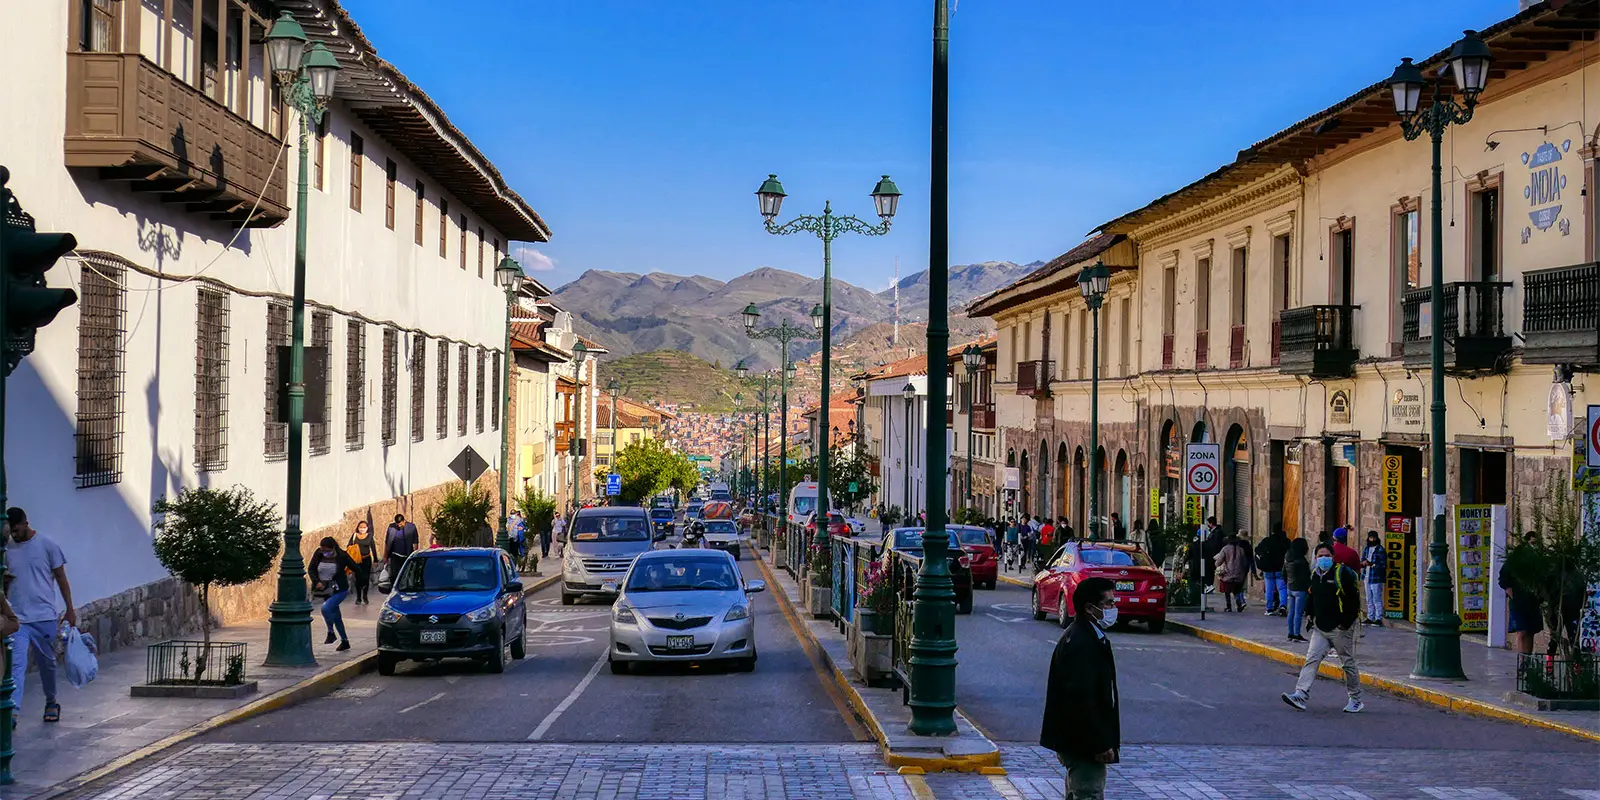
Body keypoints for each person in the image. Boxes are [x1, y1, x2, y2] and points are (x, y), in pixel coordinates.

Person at [1040, 576, 1120, 800]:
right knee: (1088, 792)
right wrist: (1100, 743)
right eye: (1108, 604)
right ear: (1089, 608)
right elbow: (1083, 699)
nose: (1113, 609)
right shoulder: (1081, 643)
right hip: (1083, 744)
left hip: (1080, 741)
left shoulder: (1090, 636)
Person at [4, 507, 74, 724]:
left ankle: (51, 701)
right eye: (11, 531)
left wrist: (70, 609)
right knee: (16, 664)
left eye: (16, 530)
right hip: (19, 619)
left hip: (44, 617)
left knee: (47, 664)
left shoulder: (47, 545)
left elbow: (61, 578)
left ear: (26, 523)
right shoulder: (6, 548)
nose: (14, 535)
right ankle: (12, 712)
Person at [1282, 542, 1364, 713]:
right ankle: (1300, 694)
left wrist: (1346, 622)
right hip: (1320, 627)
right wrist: (1310, 616)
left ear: (1332, 557)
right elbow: (1312, 598)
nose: (1323, 558)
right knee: (1311, 659)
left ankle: (1356, 699)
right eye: (1320, 556)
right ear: (1315, 557)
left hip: (1340, 628)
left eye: (1326, 555)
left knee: (1347, 663)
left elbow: (1353, 601)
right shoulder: (1315, 574)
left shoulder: (1341, 574)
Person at [309, 537, 360, 651]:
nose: (324, 553)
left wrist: (358, 580)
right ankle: (344, 641)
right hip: (326, 590)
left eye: (326, 550)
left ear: (333, 548)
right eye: (322, 550)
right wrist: (316, 581)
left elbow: (355, 567)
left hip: (339, 589)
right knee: (336, 616)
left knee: (326, 608)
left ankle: (330, 632)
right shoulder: (318, 553)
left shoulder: (342, 556)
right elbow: (311, 568)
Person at [1500, 531, 1543, 656]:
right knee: (1522, 631)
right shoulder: (1515, 559)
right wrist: (1513, 596)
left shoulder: (1538, 559)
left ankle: (1528, 659)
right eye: (1532, 543)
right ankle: (1522, 662)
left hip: (1533, 601)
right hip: (1519, 601)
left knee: (1531, 631)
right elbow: (1503, 579)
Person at [1255, 526, 1290, 616]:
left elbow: (1257, 550)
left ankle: (1269, 608)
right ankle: (1283, 606)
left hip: (1268, 569)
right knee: (1282, 588)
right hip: (1280, 569)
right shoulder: (1286, 542)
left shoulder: (1267, 541)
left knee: (1269, 590)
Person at [1213, 532, 1250, 612]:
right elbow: (1244, 562)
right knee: (1236, 590)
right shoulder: (1241, 549)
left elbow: (1219, 561)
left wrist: (1216, 564)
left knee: (1227, 591)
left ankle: (1228, 606)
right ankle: (1238, 603)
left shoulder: (1225, 549)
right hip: (1238, 574)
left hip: (1227, 573)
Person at [1284, 537, 1311, 643]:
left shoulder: (1287, 558)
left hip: (1290, 587)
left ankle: (1290, 633)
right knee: (1298, 613)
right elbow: (1306, 577)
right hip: (1300, 589)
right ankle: (1296, 634)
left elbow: (1284, 573)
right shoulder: (1302, 561)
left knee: (1291, 612)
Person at [346, 520, 377, 605]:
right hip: (357, 561)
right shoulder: (354, 536)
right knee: (358, 578)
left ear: (367, 528)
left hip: (366, 560)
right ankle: (358, 597)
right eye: (360, 527)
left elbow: (373, 547)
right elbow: (348, 546)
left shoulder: (370, 536)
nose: (362, 529)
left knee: (366, 578)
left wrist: (375, 559)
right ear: (358, 528)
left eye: (364, 527)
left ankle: (365, 596)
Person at [1360, 530, 1387, 625]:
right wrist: (1364, 563)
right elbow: (1362, 560)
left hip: (1376, 577)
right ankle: (1370, 617)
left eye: (1373, 538)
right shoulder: (1367, 549)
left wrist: (1372, 564)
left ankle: (1378, 618)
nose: (1372, 539)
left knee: (1377, 598)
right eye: (1370, 538)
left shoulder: (1380, 550)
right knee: (1369, 598)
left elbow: (1383, 565)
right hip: (1367, 576)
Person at [384, 513, 420, 585]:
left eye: (400, 524)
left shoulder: (411, 527)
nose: (399, 526)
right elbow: (387, 542)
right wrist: (385, 555)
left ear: (404, 521)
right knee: (394, 575)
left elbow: (415, 542)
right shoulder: (391, 527)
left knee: (406, 574)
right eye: (397, 524)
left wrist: (414, 555)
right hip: (395, 555)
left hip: (406, 555)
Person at [1200, 517, 1227, 592]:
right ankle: (1209, 585)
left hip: (1213, 555)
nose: (1208, 525)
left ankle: (1210, 585)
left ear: (1211, 523)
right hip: (1212, 554)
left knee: (1210, 569)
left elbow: (1215, 544)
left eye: (1208, 523)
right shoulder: (1215, 532)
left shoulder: (1217, 532)